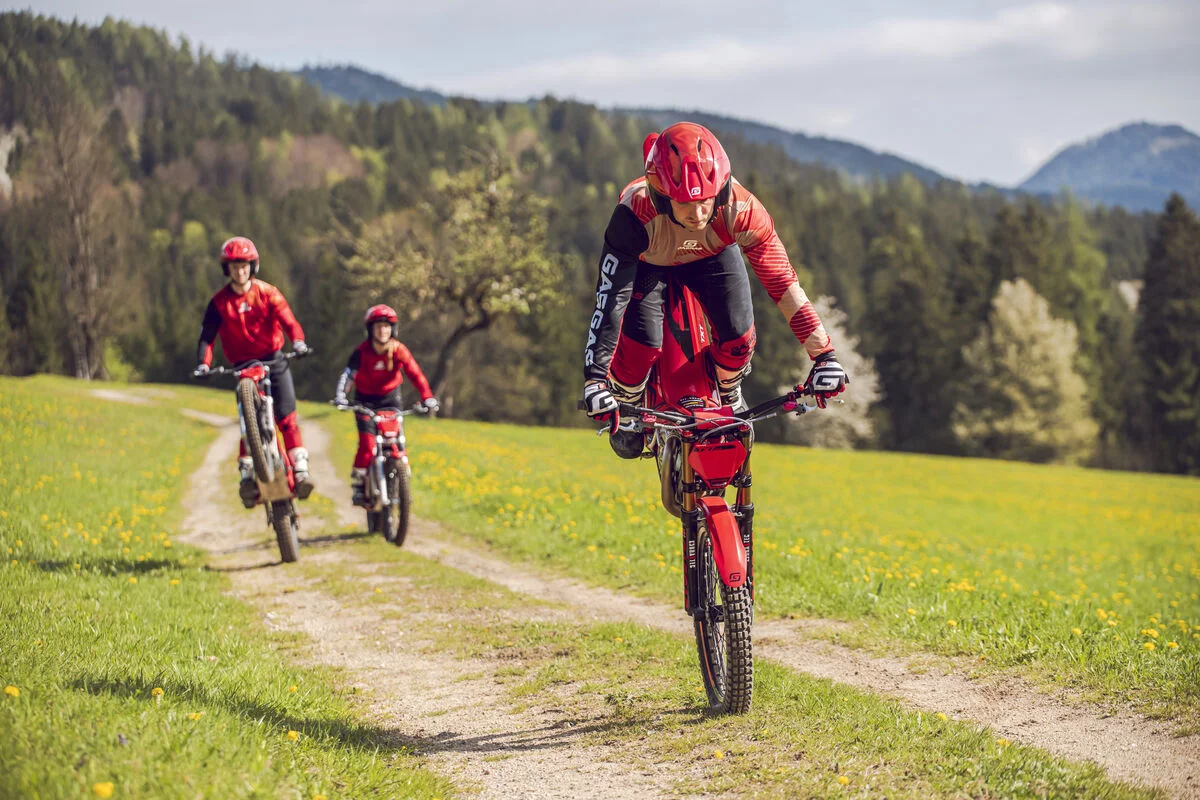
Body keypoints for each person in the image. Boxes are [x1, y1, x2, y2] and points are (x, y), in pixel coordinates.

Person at [581, 122, 849, 456]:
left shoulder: (743, 209)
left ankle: (729, 388)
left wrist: (824, 355)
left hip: (713, 253)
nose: (697, 214)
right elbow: (609, 299)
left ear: (721, 190)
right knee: (640, 348)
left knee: (739, 338)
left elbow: (782, 281)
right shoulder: (633, 214)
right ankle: (629, 397)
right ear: (660, 197)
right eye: (684, 204)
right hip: (648, 262)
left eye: (706, 201)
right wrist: (596, 380)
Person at [193, 236, 314, 506]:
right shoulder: (218, 303)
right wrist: (204, 363)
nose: (240, 271)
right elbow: (207, 337)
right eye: (234, 266)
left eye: (245, 265)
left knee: (286, 418)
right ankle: (248, 474)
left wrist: (299, 343)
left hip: (274, 360)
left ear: (253, 266)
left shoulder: (268, 293)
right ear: (227, 269)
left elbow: (290, 322)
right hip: (242, 367)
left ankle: (301, 469)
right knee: (248, 426)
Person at [334, 304, 439, 507]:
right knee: (368, 445)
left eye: (387, 326)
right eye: (378, 326)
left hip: (391, 400)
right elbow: (348, 376)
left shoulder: (399, 350)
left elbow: (415, 374)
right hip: (364, 401)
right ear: (370, 330)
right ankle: (359, 481)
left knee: (397, 442)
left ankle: (403, 479)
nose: (383, 331)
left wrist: (427, 397)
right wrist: (341, 396)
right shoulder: (361, 352)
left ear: (393, 329)